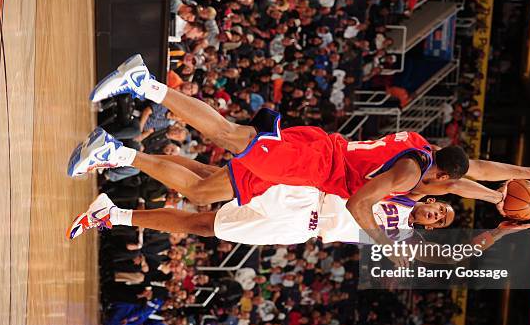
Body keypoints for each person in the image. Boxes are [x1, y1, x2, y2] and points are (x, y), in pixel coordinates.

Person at [69, 55, 470, 245]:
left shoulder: (407, 226)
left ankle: (113, 208)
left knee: (204, 215)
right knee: (207, 183)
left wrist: (504, 220)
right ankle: (123, 138)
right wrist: (513, 185)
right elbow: (469, 177)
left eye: (438, 218)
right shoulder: (411, 180)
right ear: (438, 188)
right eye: (441, 205)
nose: (435, 212)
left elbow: (470, 242)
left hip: (299, 226)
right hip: (306, 188)